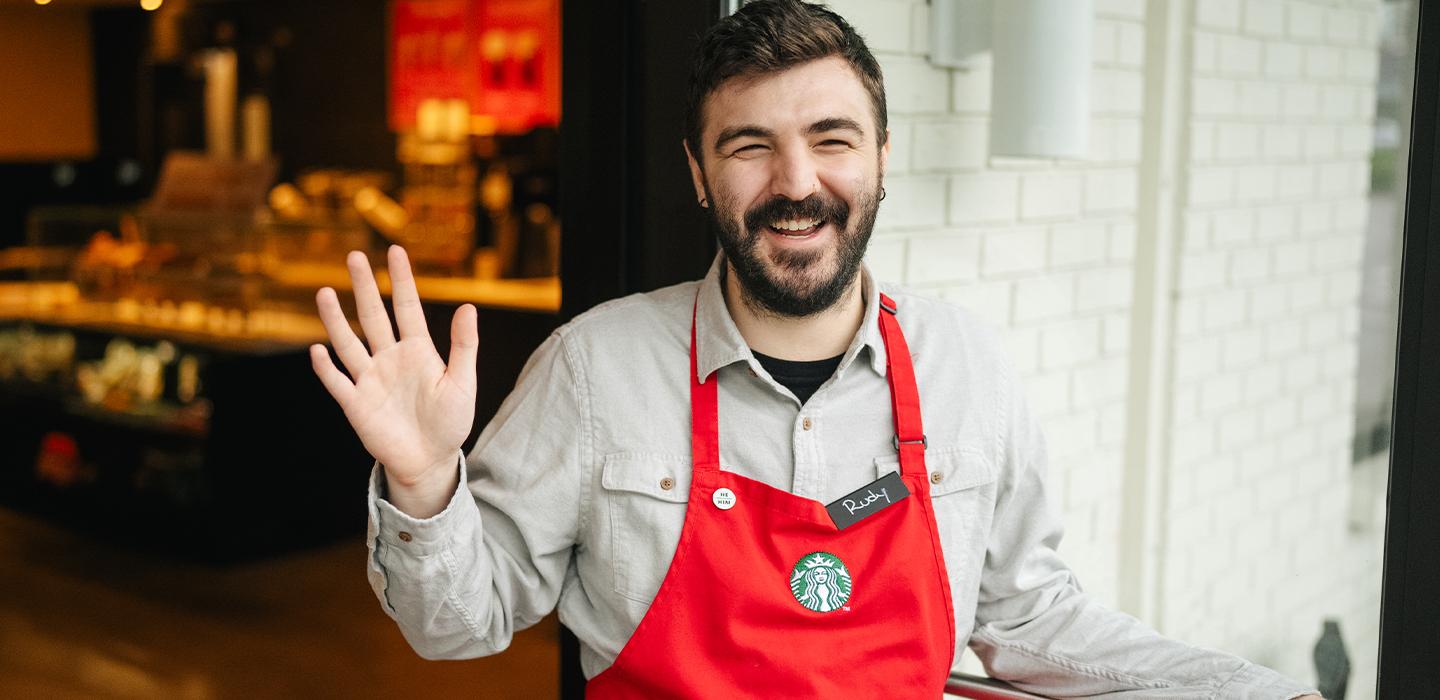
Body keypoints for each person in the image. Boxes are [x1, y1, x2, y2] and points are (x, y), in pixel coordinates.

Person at [311, 1, 1323, 697]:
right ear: (700, 175)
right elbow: (456, 623)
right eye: (749, 145)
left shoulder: (968, 366)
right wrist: (424, 481)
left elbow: (1028, 618)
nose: (797, 181)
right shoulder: (593, 370)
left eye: (832, 138)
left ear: (883, 157)